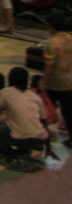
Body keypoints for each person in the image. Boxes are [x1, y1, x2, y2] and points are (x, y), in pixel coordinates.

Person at [0, 67, 49, 165]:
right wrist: (49, 146)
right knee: (23, 126)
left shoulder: (6, 92)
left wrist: (4, 106)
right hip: (40, 140)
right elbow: (44, 122)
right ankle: (24, 154)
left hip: (21, 138)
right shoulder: (35, 96)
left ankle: (12, 155)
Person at [42, 12, 72, 147]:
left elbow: (49, 66)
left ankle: (42, 135)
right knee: (69, 112)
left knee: (46, 110)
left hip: (54, 83)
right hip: (70, 83)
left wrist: (44, 83)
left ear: (51, 27)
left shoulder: (52, 43)